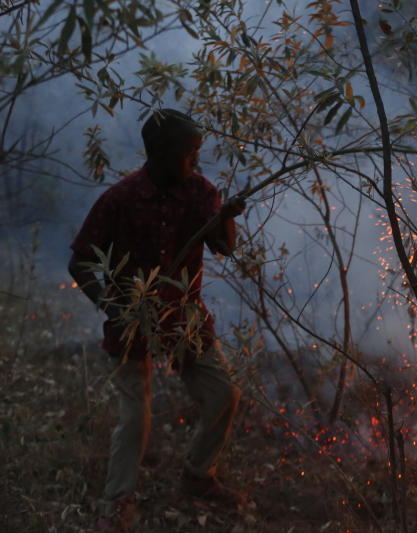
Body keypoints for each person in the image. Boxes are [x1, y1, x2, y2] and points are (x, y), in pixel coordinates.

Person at [68, 109, 247, 530]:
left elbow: (225, 247)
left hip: (184, 316)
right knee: (136, 417)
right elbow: (80, 263)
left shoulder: (202, 193)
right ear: (161, 153)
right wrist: (113, 309)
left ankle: (198, 477)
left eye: (197, 152)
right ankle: (118, 499)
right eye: (189, 153)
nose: (195, 161)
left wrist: (225, 215)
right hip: (133, 319)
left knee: (225, 394)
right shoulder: (120, 199)